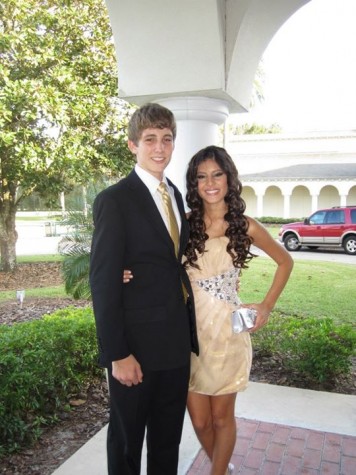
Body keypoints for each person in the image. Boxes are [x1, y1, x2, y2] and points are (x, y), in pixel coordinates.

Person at [89, 102, 199, 475]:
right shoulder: (114, 200)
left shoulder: (175, 194)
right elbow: (102, 283)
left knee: (168, 441)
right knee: (126, 444)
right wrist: (117, 354)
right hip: (134, 349)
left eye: (166, 139)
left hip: (174, 344)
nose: (159, 147)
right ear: (133, 145)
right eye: (150, 139)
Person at [183, 145, 293, 475]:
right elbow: (156, 264)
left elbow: (285, 261)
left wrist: (266, 305)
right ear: (194, 184)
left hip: (227, 334)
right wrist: (127, 272)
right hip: (187, 334)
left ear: (229, 178)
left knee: (221, 417)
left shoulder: (246, 226)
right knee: (200, 421)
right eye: (202, 176)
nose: (210, 182)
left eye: (217, 174)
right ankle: (224, 467)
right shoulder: (185, 224)